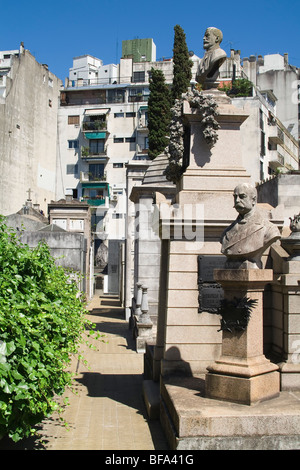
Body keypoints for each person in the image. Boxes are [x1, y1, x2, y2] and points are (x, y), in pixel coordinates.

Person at [221, 183, 281, 268]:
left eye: (242, 196)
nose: (237, 200)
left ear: (253, 200)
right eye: (235, 197)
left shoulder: (269, 229)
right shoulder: (227, 232)